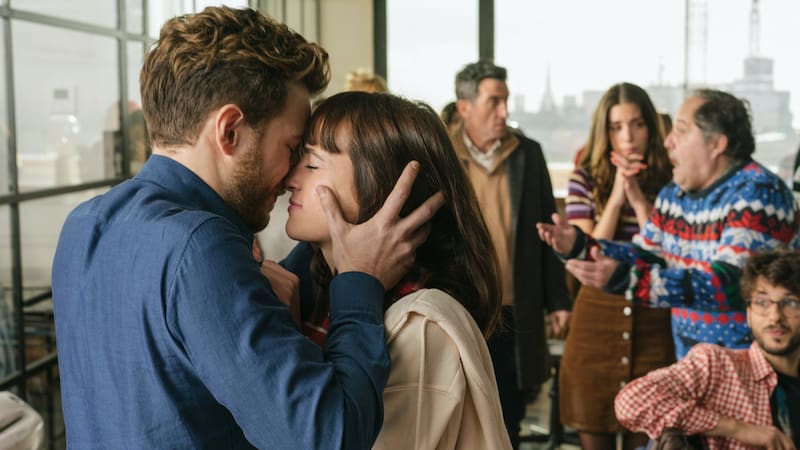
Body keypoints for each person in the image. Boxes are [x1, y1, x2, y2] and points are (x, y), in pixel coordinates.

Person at [51, 7, 443, 449]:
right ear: (230, 131)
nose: (292, 173)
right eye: (292, 147)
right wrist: (360, 280)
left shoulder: (83, 224)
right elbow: (327, 436)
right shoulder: (199, 247)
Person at [281, 91, 512, 450]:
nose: (290, 179)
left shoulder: (419, 327)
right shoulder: (320, 292)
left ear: (384, 190)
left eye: (311, 165)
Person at [538, 88, 799, 361]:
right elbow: (646, 254)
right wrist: (580, 245)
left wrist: (626, 279)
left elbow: (731, 284)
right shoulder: (675, 194)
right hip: (696, 365)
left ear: (716, 144)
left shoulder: (758, 193)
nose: (668, 142)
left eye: (681, 131)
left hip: (755, 369)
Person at [451, 59, 571, 448]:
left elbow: (547, 230)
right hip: (462, 309)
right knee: (459, 415)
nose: (504, 111)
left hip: (516, 310)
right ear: (465, 106)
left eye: (506, 100)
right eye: (494, 102)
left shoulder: (528, 154)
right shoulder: (443, 153)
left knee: (509, 418)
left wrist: (558, 301)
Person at [560, 82, 675, 450]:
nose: (627, 137)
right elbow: (588, 251)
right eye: (616, 127)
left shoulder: (671, 179)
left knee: (650, 431)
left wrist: (638, 197)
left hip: (654, 314)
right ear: (604, 131)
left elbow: (667, 252)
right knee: (593, 422)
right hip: (596, 313)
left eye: (637, 124)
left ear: (650, 128)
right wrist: (615, 197)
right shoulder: (584, 177)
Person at [615, 248, 800, 450]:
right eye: (762, 302)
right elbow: (630, 402)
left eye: (790, 303)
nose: (775, 316)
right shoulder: (718, 365)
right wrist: (738, 429)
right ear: (748, 314)